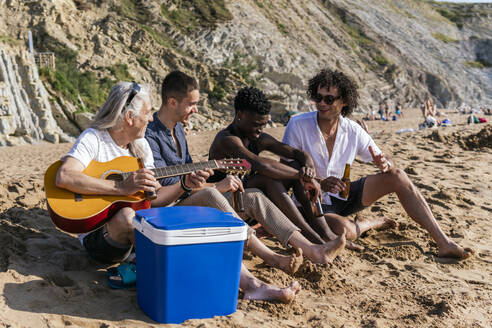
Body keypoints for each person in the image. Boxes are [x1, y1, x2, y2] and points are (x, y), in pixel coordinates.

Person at [55, 81, 300, 302]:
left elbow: (156, 200)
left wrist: (184, 185)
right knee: (128, 216)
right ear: (129, 117)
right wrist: (119, 186)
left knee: (205, 201)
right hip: (102, 239)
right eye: (146, 113)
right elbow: (64, 175)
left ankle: (252, 284)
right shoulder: (94, 138)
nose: (150, 119)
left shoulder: (140, 147)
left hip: (144, 231)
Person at [146, 71, 345, 268]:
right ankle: (271, 256)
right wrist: (212, 185)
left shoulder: (179, 129)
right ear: (172, 102)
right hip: (169, 210)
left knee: (255, 195)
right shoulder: (150, 135)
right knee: (212, 193)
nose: (196, 110)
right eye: (192, 104)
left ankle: (312, 248)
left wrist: (207, 182)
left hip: (191, 198)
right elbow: (161, 192)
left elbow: (189, 180)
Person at [282, 69, 474, 259]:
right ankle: (375, 222)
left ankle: (443, 242)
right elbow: (285, 169)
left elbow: (384, 158)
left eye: (329, 99)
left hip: (343, 193)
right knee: (344, 230)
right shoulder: (298, 124)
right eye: (318, 97)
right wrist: (319, 182)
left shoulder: (353, 130)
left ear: (344, 102)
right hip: (310, 203)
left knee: (398, 176)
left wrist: (386, 162)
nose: (322, 103)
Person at [210, 87, 381, 252]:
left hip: (249, 196)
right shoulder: (227, 139)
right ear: (240, 114)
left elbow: (299, 154)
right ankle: (312, 238)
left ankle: (325, 233)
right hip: (223, 201)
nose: (260, 130)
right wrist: (307, 178)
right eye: (256, 125)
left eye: (264, 124)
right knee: (270, 178)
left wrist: (307, 168)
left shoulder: (257, 136)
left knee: (295, 167)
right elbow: (262, 165)